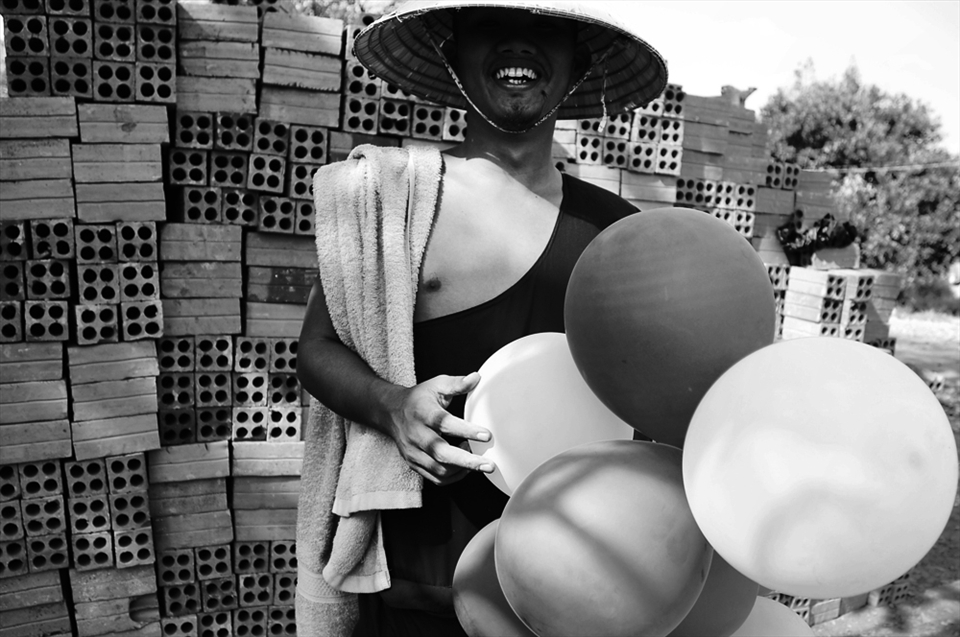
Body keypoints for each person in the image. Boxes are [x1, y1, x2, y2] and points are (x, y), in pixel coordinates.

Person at [295, 2, 668, 635]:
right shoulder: (393, 201)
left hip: (574, 589)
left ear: (577, 63)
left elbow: (649, 399)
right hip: (419, 590)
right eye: (491, 24)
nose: (518, 46)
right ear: (452, 52)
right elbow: (317, 349)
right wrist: (391, 404)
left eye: (545, 29)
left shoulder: (619, 233)